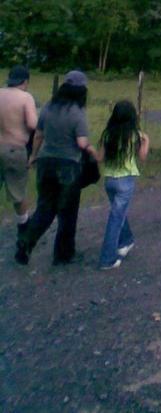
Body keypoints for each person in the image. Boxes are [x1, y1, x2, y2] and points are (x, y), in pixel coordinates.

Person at [15, 70, 96, 267]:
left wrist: (33, 157)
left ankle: (26, 243)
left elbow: (38, 135)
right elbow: (81, 142)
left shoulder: (49, 108)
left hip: (45, 162)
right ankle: (63, 254)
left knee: (44, 207)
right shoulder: (78, 112)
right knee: (67, 212)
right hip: (68, 166)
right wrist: (93, 151)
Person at [97, 100, 149, 270]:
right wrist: (146, 142)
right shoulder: (135, 135)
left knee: (118, 213)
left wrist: (90, 151)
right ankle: (108, 258)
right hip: (126, 180)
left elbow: (100, 158)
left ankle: (126, 241)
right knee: (116, 219)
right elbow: (142, 156)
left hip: (109, 180)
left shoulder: (107, 134)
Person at [0, 65, 38, 244]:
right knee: (18, 193)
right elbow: (32, 124)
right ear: (25, 81)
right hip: (15, 149)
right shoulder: (25, 98)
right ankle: (23, 230)